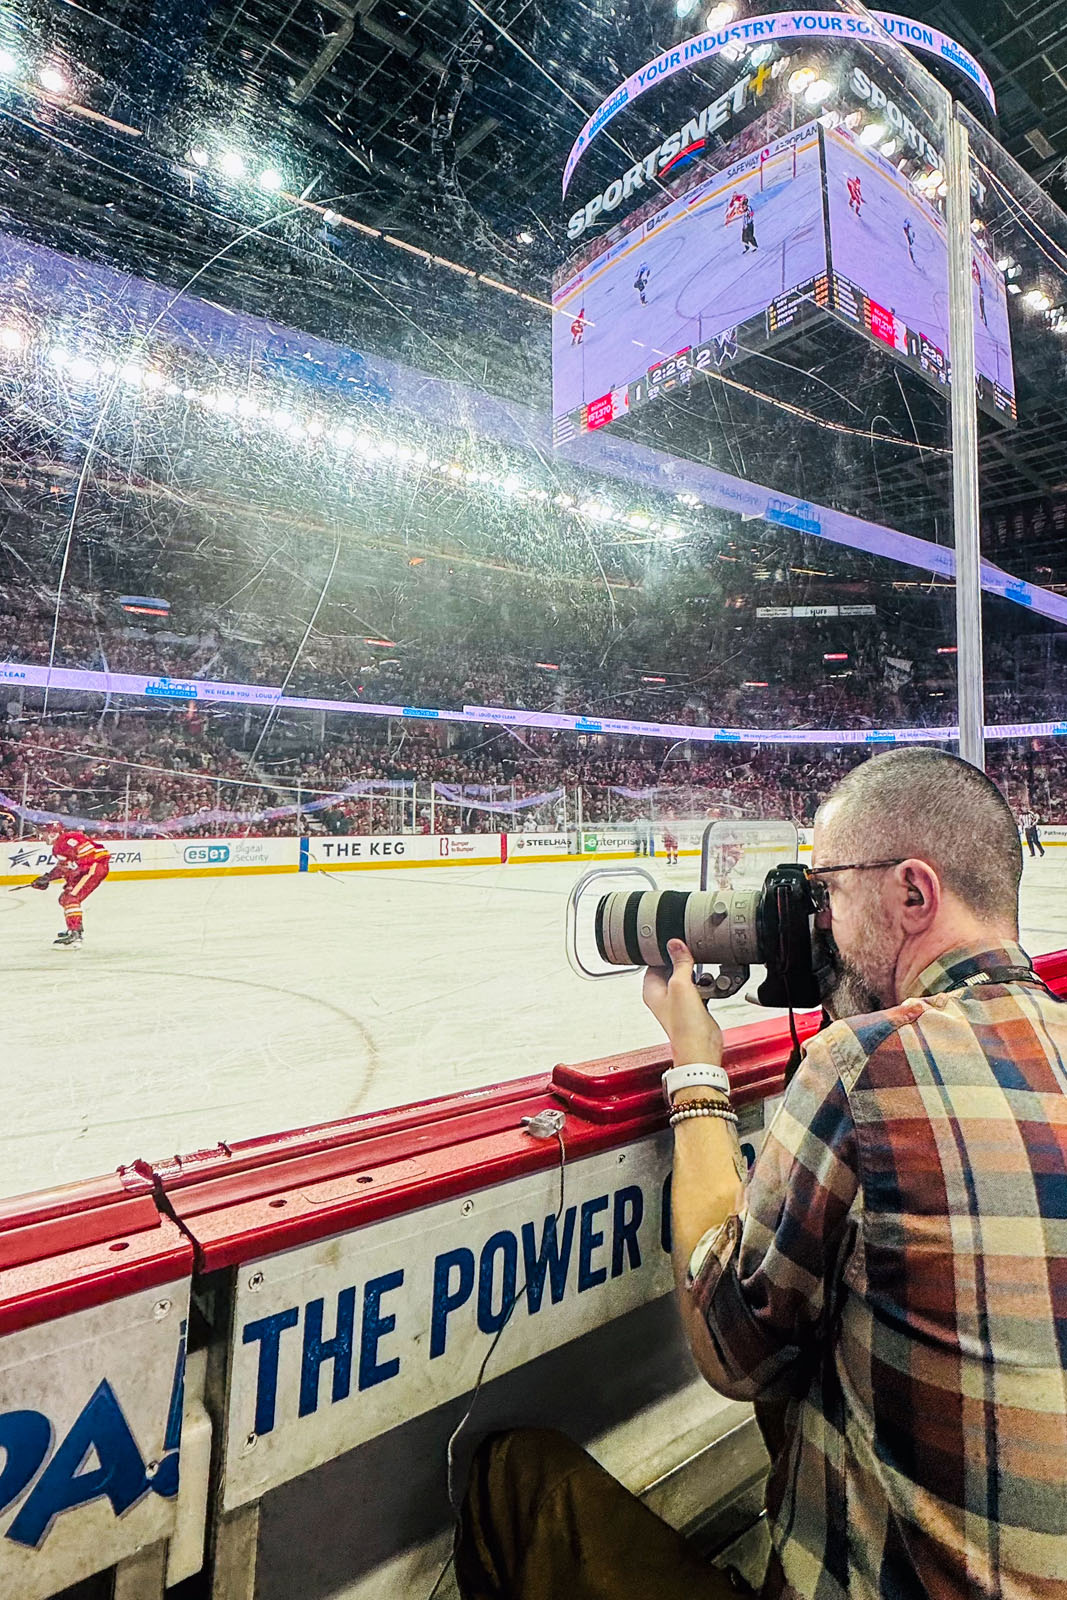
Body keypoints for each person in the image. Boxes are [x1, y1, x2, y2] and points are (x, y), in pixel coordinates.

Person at [457, 749, 1067, 1600]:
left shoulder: (865, 1064)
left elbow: (732, 1350)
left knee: (514, 1476)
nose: (813, 924)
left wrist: (695, 1069)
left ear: (912, 893)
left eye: (826, 893)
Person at [31, 821, 111, 945]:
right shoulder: (59, 846)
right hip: (87, 869)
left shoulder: (68, 839)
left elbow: (88, 858)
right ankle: (76, 928)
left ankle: (75, 934)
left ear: (53, 833)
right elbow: (65, 867)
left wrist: (71, 873)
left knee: (70, 899)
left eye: (44, 833)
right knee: (64, 898)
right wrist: (47, 877)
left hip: (93, 868)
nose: (42, 836)